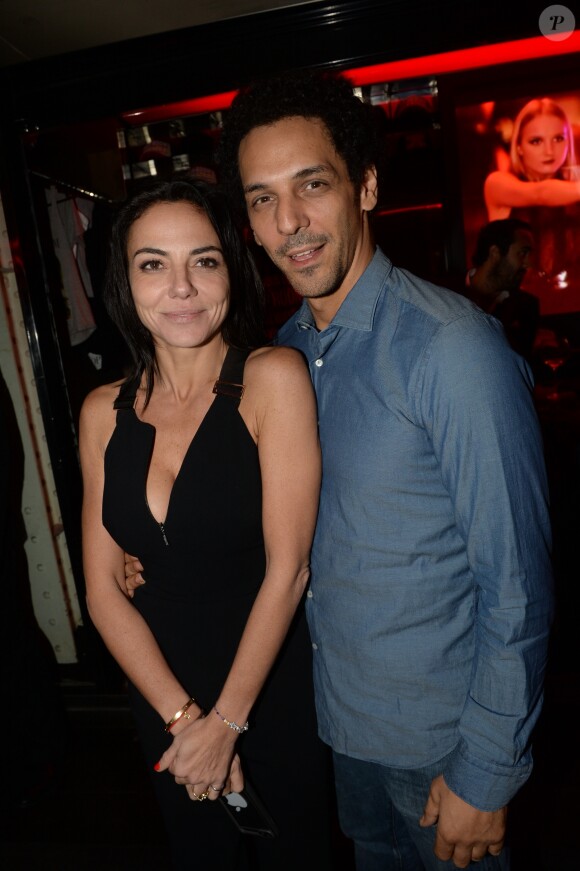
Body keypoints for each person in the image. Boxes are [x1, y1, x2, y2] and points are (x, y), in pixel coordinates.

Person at [213, 70, 554, 871]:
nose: (288, 222)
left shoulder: (451, 348)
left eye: (311, 185)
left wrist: (488, 769)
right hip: (345, 733)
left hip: (445, 749)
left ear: (365, 184)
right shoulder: (284, 356)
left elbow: (519, 582)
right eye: (262, 198)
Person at [79, 177, 335, 870]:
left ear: (232, 268)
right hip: (161, 694)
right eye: (153, 263)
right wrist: (185, 721)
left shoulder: (271, 378)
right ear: (125, 283)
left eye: (205, 259)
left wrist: (226, 724)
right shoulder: (103, 410)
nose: (182, 286)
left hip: (266, 690)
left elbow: (290, 569)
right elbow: (102, 590)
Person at [483, 98, 580, 290]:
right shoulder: (498, 184)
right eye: (536, 141)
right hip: (517, 308)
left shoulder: (573, 184)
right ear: (519, 146)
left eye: (558, 138)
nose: (549, 150)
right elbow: (541, 193)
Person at [463, 218, 540, 362]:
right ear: (495, 253)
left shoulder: (527, 307)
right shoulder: (447, 293)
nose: (528, 264)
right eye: (523, 253)